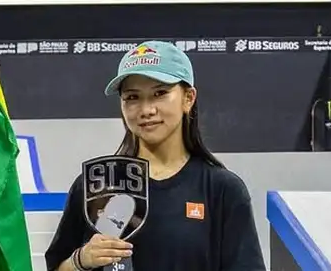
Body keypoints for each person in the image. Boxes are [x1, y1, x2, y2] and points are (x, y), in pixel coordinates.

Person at [44, 41, 266, 271]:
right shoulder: (95, 185)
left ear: (188, 98)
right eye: (132, 97)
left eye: (160, 93)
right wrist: (81, 260)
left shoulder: (222, 189)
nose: (146, 110)